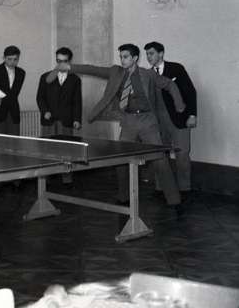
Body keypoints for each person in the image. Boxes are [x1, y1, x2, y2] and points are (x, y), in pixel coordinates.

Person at [67, 43, 185, 210]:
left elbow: (170, 85)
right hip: (129, 120)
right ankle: (123, 196)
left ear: (135, 58)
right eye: (121, 57)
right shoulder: (116, 72)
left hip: (147, 121)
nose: (122, 60)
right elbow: (93, 69)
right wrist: (70, 67)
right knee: (121, 158)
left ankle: (173, 200)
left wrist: (179, 105)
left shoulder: (148, 74)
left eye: (126, 57)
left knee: (160, 158)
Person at [144, 41, 197, 194]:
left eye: (151, 53)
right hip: (158, 122)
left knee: (182, 154)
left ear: (161, 53)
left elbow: (190, 92)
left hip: (179, 119)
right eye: (147, 54)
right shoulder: (147, 74)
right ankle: (161, 187)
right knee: (160, 154)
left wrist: (192, 115)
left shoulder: (176, 68)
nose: (148, 57)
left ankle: (184, 188)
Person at [37, 47, 82, 136]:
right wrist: (45, 111)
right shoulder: (45, 77)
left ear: (70, 61)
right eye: (59, 61)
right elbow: (40, 97)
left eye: (65, 61)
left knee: (65, 144)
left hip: (66, 121)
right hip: (49, 120)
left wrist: (77, 119)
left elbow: (77, 101)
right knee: (47, 144)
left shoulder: (75, 79)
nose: (61, 64)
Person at [0, 45, 26, 136]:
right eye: (9, 59)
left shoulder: (21, 73)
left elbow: (14, 93)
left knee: (14, 140)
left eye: (15, 59)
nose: (12, 62)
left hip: (13, 111)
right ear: (4, 58)